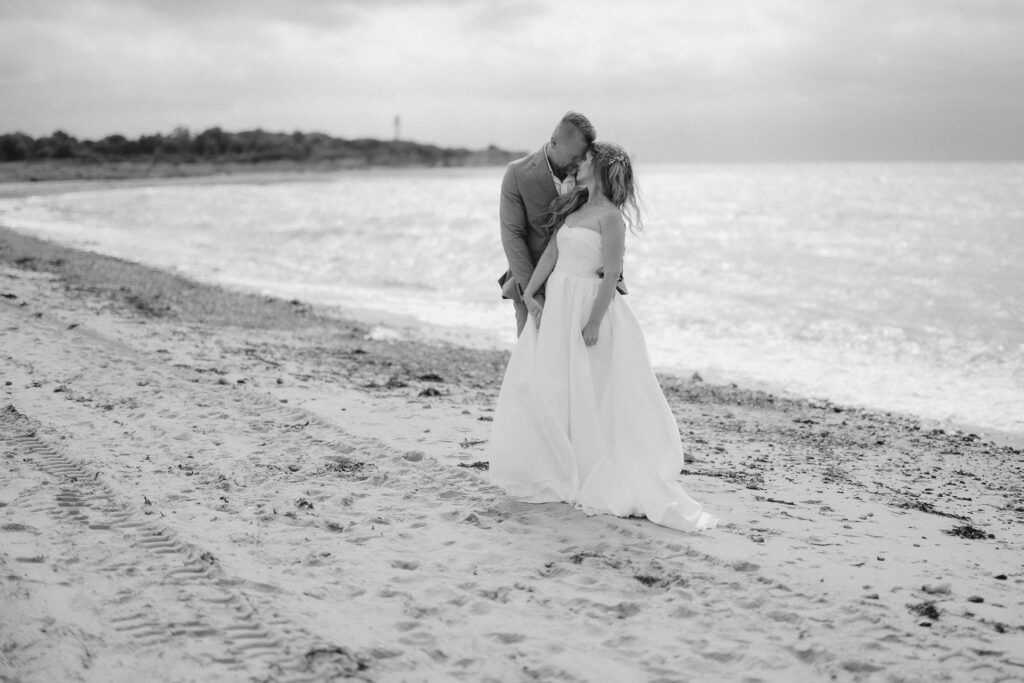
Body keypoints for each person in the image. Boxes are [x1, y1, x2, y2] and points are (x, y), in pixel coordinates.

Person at [487, 142, 718, 532]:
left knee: (589, 387)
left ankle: (586, 464)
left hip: (588, 306)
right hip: (559, 301)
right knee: (551, 383)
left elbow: (611, 274)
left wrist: (593, 322)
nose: (581, 163)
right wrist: (530, 291)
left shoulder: (611, 218)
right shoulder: (575, 208)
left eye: (588, 160)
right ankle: (554, 462)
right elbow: (551, 255)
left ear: (605, 170)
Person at [498, 112, 597, 337]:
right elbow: (513, 235)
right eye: (574, 156)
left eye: (583, 156)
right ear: (554, 142)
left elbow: (606, 220)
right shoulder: (517, 173)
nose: (579, 162)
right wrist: (533, 293)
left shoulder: (591, 173)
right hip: (531, 283)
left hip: (581, 286)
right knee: (531, 360)